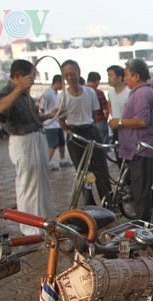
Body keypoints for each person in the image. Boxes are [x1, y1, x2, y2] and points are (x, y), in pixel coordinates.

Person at [0, 59, 56, 235]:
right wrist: (19, 88)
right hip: (22, 141)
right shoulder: (8, 92)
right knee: (27, 183)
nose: (33, 80)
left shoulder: (26, 96)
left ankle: (45, 220)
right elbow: (1, 108)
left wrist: (48, 116)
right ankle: (30, 226)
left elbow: (33, 119)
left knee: (41, 182)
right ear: (19, 76)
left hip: (36, 138)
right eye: (30, 76)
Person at [108, 59, 153, 221]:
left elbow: (142, 120)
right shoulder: (143, 91)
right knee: (144, 194)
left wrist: (118, 122)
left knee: (142, 196)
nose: (125, 79)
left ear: (136, 76)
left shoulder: (142, 93)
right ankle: (147, 228)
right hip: (143, 149)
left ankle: (142, 232)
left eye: (126, 75)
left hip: (142, 150)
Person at [59, 59, 112, 206]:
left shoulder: (90, 92)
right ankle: (90, 204)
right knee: (82, 172)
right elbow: (61, 119)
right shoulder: (62, 96)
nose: (70, 77)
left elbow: (95, 114)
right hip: (74, 135)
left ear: (78, 72)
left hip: (90, 131)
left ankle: (108, 201)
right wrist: (68, 132)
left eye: (72, 74)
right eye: (66, 75)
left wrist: (92, 129)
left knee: (101, 167)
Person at [39, 74, 70, 170]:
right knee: (53, 144)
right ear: (57, 83)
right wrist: (44, 121)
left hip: (57, 123)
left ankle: (62, 160)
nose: (63, 86)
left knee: (61, 142)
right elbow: (42, 108)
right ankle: (47, 163)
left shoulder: (57, 94)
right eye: (62, 84)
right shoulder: (47, 93)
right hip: (50, 124)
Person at [106, 64, 130, 145]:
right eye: (108, 75)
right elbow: (110, 105)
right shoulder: (110, 92)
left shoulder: (129, 92)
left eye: (111, 75)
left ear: (119, 78)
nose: (108, 78)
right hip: (116, 128)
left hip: (128, 128)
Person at [86, 72, 110, 144]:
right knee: (103, 144)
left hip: (87, 122)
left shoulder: (82, 92)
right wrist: (105, 119)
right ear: (97, 81)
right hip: (100, 121)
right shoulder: (99, 92)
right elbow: (106, 109)